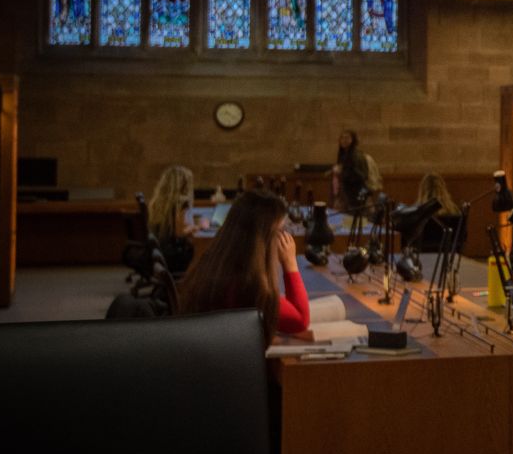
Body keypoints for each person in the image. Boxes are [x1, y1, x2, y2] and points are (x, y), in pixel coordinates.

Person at [177, 189, 312, 340]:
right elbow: (300, 320)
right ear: (262, 240)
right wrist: (290, 264)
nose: (284, 238)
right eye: (280, 231)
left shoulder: (214, 264)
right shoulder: (248, 285)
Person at [145, 164, 196, 274]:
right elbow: (180, 233)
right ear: (184, 184)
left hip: (158, 253)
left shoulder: (157, 202)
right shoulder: (181, 202)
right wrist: (199, 226)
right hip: (174, 256)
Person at [331, 128, 380, 211]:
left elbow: (362, 175)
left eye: (347, 138)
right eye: (342, 138)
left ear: (353, 140)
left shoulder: (356, 155)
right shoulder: (344, 154)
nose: (344, 140)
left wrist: (342, 172)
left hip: (357, 192)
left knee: (358, 217)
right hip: (350, 193)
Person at [410, 172, 461, 252]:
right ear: (443, 189)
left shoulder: (414, 213)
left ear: (422, 190)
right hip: (447, 257)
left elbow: (409, 241)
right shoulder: (455, 211)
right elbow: (460, 240)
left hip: (421, 257)